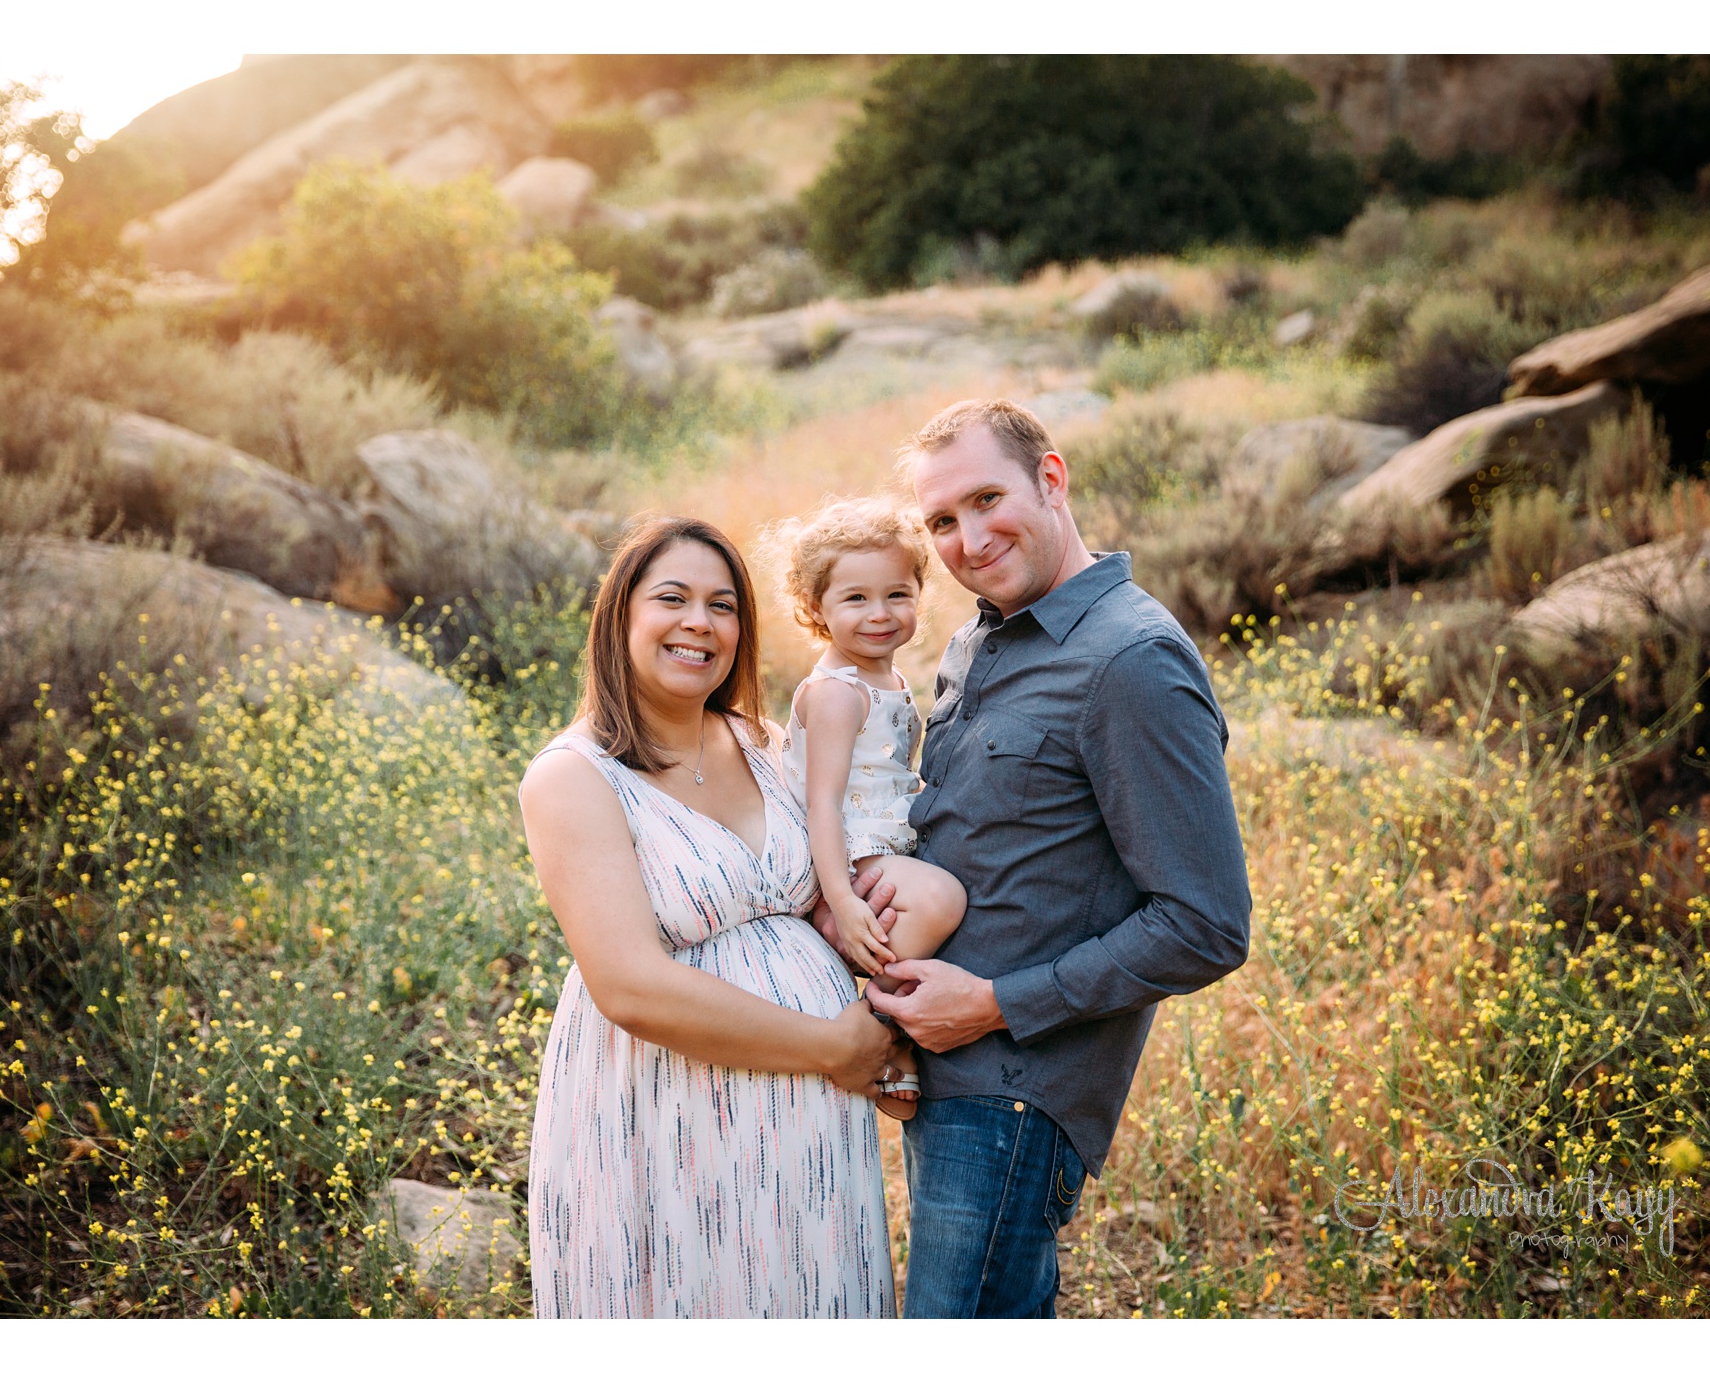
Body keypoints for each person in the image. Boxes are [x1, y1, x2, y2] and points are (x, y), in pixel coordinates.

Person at [817, 398, 1252, 1319]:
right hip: (945, 1074)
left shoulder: (1132, 662)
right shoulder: (982, 635)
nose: (968, 540)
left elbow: (1206, 925)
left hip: (1016, 1096)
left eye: (986, 499)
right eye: (941, 520)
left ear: (1051, 480)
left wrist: (989, 1004)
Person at [518, 516, 898, 1318]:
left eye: (723, 605)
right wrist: (835, 1044)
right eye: (673, 598)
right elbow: (629, 986)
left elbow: (847, 876)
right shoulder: (572, 776)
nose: (701, 621)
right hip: (667, 1118)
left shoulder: (764, 740)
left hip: (811, 1128)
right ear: (620, 616)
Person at [761, 497, 969, 1120]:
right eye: (855, 599)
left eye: (897, 595)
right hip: (845, 860)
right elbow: (821, 804)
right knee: (942, 900)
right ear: (815, 608)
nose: (879, 614)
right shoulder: (836, 694)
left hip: (879, 848)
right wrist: (845, 904)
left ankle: (893, 1023)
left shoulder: (888, 678)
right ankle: (883, 1027)